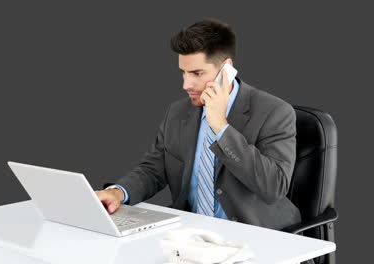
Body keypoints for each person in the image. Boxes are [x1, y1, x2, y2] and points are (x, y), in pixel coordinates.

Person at [96, 18, 301, 230]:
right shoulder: (177, 113)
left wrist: (221, 128)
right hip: (192, 235)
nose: (186, 84)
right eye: (183, 73)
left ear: (226, 70)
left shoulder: (275, 112)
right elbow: (153, 170)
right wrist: (117, 192)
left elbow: (274, 187)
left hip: (257, 235)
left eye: (197, 73)